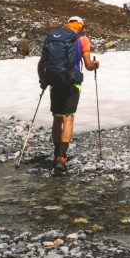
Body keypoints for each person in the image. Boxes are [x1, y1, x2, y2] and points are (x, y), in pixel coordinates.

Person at [37, 15, 99, 174]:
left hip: (54, 81)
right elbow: (88, 65)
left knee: (57, 118)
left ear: (68, 24)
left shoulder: (54, 37)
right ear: (81, 26)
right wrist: (95, 65)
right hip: (73, 82)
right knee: (68, 117)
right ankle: (62, 158)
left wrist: (42, 80)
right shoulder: (82, 39)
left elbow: (42, 62)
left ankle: (56, 154)